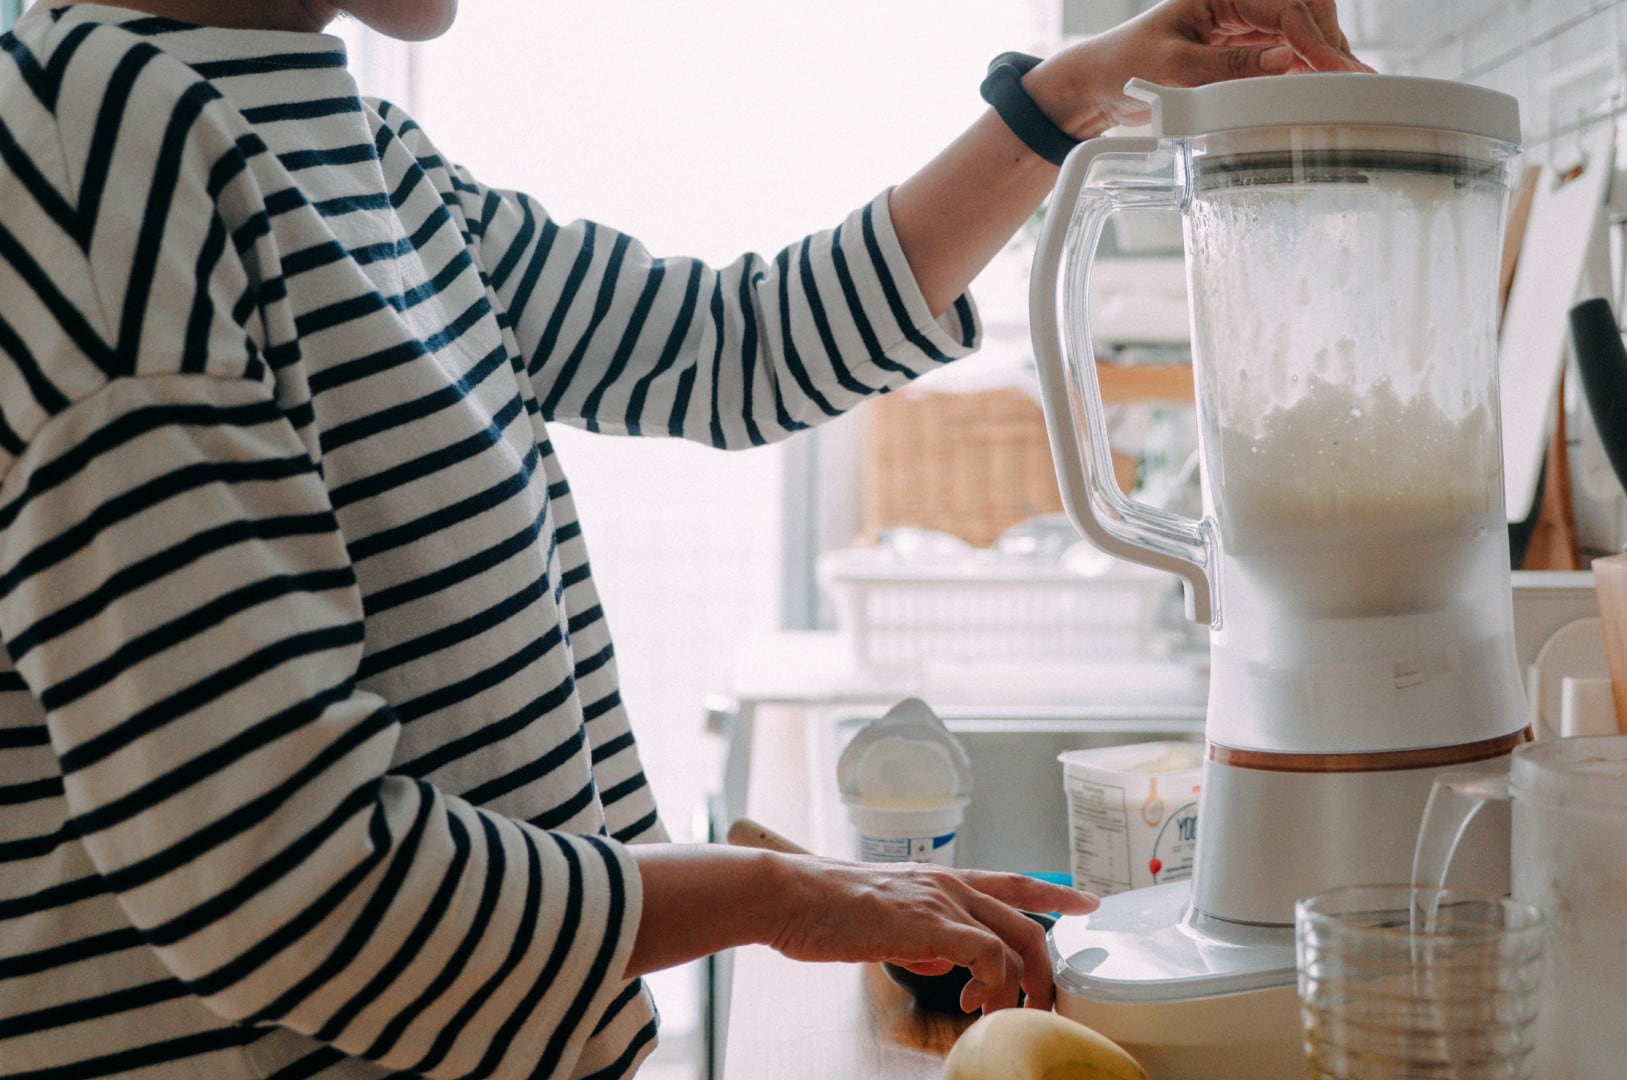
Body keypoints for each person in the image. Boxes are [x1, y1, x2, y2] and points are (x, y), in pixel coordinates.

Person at [0, 1, 1366, 1076]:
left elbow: (728, 348)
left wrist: (1069, 97)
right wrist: (781, 896)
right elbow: (294, 888)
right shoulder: (90, 157)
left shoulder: (347, 147)